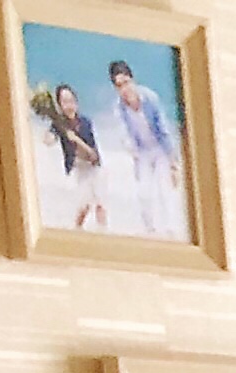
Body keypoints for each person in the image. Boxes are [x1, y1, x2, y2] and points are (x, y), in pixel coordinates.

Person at [104, 57, 183, 242]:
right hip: (142, 152)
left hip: (160, 149)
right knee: (144, 192)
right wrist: (132, 151)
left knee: (165, 189)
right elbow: (124, 133)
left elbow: (163, 129)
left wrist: (173, 161)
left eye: (126, 82)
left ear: (132, 79)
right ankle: (150, 229)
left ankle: (171, 228)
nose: (124, 88)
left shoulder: (150, 98)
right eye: (119, 85)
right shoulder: (119, 107)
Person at [28, 80, 101, 229]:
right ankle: (76, 228)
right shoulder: (59, 124)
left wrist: (77, 141)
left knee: (100, 202)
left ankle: (102, 229)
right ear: (60, 105)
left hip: (93, 166)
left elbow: (93, 154)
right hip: (77, 169)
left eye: (71, 101)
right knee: (84, 204)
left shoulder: (85, 123)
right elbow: (49, 139)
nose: (69, 105)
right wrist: (50, 135)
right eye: (65, 102)